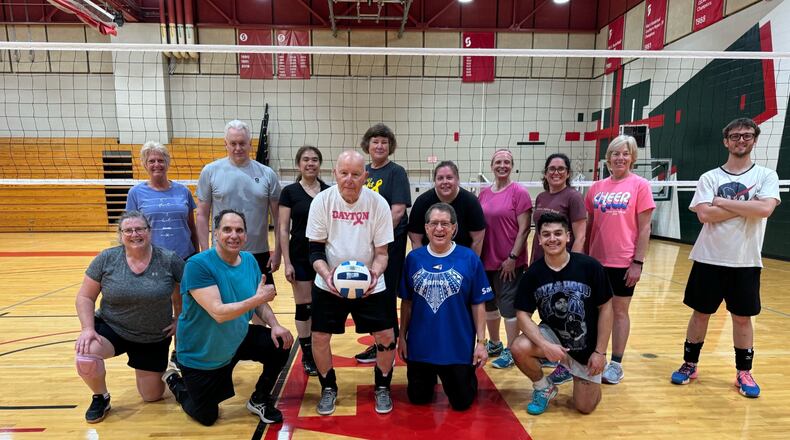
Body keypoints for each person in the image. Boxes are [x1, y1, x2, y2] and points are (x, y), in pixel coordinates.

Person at [670, 118, 779, 398]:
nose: (740, 140)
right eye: (735, 136)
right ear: (725, 141)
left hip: (745, 261)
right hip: (709, 258)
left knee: (742, 319)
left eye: (746, 135)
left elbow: (765, 209)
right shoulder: (711, 177)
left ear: (754, 139)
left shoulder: (766, 176)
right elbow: (705, 215)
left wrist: (722, 202)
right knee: (700, 314)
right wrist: (747, 206)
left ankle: (744, 372)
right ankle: (690, 363)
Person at [162, 210, 293, 426]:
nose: (234, 235)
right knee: (206, 416)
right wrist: (257, 298)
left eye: (239, 230)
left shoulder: (249, 260)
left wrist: (275, 325)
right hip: (202, 354)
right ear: (216, 234)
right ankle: (176, 381)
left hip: (236, 339)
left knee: (280, 342)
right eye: (227, 229)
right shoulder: (198, 265)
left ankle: (259, 398)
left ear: (246, 235)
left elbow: (258, 302)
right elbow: (218, 312)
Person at [306, 150, 395, 415]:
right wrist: (327, 275)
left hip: (369, 283)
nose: (349, 179)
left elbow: (382, 254)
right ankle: (328, 387)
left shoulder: (378, 204)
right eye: (344, 173)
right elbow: (315, 251)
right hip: (329, 283)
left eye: (356, 174)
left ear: (365, 176)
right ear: (335, 174)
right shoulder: (322, 201)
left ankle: (382, 386)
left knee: (386, 336)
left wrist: (374, 275)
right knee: (319, 337)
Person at [75, 211, 184, 423]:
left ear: (149, 232)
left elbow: (185, 294)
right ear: (121, 234)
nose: (135, 234)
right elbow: (85, 297)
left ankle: (170, 375)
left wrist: (180, 319)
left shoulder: (169, 259)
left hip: (152, 336)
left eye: (140, 229)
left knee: (151, 396)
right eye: (128, 230)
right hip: (112, 327)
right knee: (86, 354)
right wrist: (87, 329)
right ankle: (100, 397)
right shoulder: (107, 258)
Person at [511, 212, 613, 416]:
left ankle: (583, 378)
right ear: (539, 239)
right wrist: (544, 345)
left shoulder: (590, 266)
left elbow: (606, 309)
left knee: (584, 407)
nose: (552, 239)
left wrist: (600, 353)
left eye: (558, 233)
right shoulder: (533, 274)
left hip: (586, 345)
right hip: (554, 338)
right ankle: (544, 387)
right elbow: (522, 314)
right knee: (518, 347)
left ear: (568, 236)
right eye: (546, 234)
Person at [398, 202, 492, 410]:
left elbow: (478, 304)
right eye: (434, 223)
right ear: (426, 228)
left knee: (462, 402)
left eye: (445, 224)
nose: (439, 229)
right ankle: (430, 377)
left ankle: (465, 377)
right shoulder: (413, 259)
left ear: (454, 228)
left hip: (456, 348)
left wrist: (481, 343)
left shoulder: (469, 258)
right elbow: (407, 302)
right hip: (421, 347)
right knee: (418, 399)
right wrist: (402, 338)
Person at [584, 135, 655, 385]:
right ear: (608, 158)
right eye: (616, 153)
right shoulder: (596, 187)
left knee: (619, 311)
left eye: (625, 153)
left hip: (623, 261)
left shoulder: (640, 185)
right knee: (594, 311)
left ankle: (616, 363)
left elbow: (645, 228)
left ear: (632, 157)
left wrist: (638, 261)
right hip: (596, 261)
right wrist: (582, 256)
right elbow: (589, 224)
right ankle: (592, 356)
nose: (620, 158)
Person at [196, 119, 281, 285]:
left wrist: (278, 251)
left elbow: (279, 218)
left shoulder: (267, 174)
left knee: (260, 305)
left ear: (250, 144)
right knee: (223, 304)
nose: (237, 148)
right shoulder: (210, 171)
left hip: (258, 252)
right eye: (233, 143)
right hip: (221, 252)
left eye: (242, 143)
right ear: (225, 144)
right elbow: (201, 215)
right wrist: (205, 252)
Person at [354, 123, 412, 364]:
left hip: (389, 243)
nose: (379, 145)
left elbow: (397, 211)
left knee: (385, 292)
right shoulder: (363, 171)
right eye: (375, 141)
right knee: (369, 291)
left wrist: (375, 234)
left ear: (390, 146)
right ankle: (378, 341)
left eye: (384, 142)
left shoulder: (395, 172)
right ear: (367, 145)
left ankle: (388, 342)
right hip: (365, 242)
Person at [278, 146, 330, 376]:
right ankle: (307, 354)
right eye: (306, 160)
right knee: (304, 306)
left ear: (320, 164)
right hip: (298, 253)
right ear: (299, 164)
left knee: (320, 306)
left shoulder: (329, 191)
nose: (310, 163)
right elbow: (282, 228)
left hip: (323, 255)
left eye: (315, 159)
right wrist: (286, 261)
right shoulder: (289, 192)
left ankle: (319, 350)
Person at [478, 149, 532, 369]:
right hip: (486, 260)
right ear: (492, 165)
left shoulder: (519, 192)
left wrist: (512, 257)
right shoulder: (483, 193)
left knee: (508, 307)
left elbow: (525, 229)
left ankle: (512, 350)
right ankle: (495, 344)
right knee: (489, 305)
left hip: (509, 262)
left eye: (507, 162)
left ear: (512, 165)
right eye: (498, 162)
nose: (502, 165)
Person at [125, 141, 198, 260]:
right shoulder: (135, 193)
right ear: (145, 164)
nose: (156, 164)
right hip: (152, 259)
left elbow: (192, 227)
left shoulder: (184, 191)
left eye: (160, 160)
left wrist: (196, 256)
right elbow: (130, 230)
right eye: (151, 161)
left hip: (185, 256)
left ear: (167, 163)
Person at [408, 160, 486, 255]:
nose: (445, 182)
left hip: (461, 258)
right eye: (440, 178)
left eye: (449, 178)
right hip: (430, 259)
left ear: (457, 180)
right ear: (435, 181)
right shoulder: (422, 202)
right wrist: (422, 262)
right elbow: (415, 239)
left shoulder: (471, 201)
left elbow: (477, 239)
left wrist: (470, 265)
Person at [531, 153, 586, 264]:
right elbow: (537, 234)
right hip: (540, 261)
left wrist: (572, 266)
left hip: (562, 262)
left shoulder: (574, 197)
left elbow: (580, 237)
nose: (556, 172)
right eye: (552, 169)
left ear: (568, 174)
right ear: (545, 174)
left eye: (561, 169)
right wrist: (532, 260)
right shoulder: (541, 197)